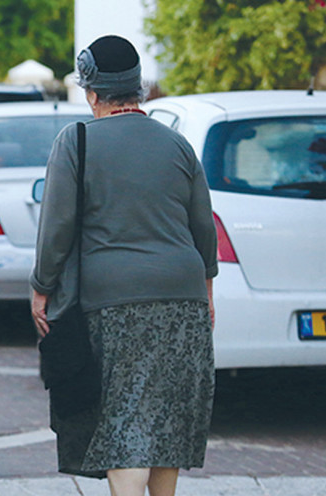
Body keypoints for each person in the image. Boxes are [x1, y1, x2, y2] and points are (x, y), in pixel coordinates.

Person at [30, 35, 219, 496]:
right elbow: (203, 229)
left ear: (92, 92)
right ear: (137, 87)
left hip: (114, 304)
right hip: (184, 299)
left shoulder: (76, 141)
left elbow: (56, 227)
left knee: (123, 428)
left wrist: (42, 286)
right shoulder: (177, 145)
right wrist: (207, 292)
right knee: (164, 426)